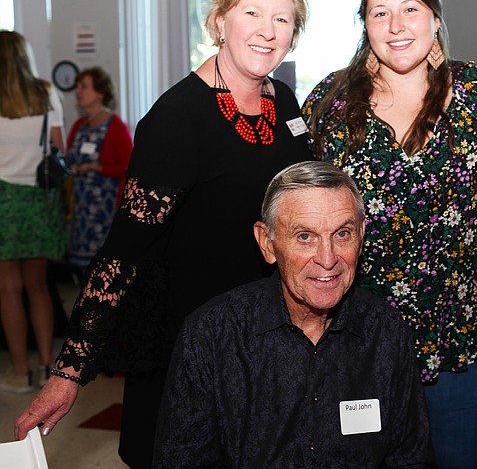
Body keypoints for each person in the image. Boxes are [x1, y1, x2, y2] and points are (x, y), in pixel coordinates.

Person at [15, 0, 314, 468]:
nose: (267, 31)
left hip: (267, 341)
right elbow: (123, 252)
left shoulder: (283, 102)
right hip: (191, 350)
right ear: (220, 20)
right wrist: (69, 370)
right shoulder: (176, 119)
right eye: (252, 13)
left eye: (282, 19)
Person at [302, 0, 477, 468]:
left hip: (458, 341)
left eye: (410, 9)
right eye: (380, 13)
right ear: (365, 23)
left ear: (435, 18)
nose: (396, 26)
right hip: (358, 340)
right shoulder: (330, 103)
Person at [153, 161, 433, 468]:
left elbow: (411, 459)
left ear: (362, 234)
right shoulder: (211, 336)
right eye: (304, 237)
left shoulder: (386, 331)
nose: (328, 258)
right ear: (267, 243)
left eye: (342, 234)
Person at [0, 31, 66, 394]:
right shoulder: (45, 92)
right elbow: (59, 147)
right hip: (40, 198)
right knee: (39, 286)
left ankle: (21, 372)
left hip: (3, 200)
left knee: (8, 290)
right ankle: (45, 365)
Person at [66, 66, 133, 273]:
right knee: (83, 269)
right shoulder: (79, 125)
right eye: (77, 86)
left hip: (106, 209)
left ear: (100, 93)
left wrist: (96, 168)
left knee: (105, 270)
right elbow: (68, 158)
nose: (78, 90)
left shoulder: (116, 127)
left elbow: (129, 168)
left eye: (84, 86)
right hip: (81, 209)